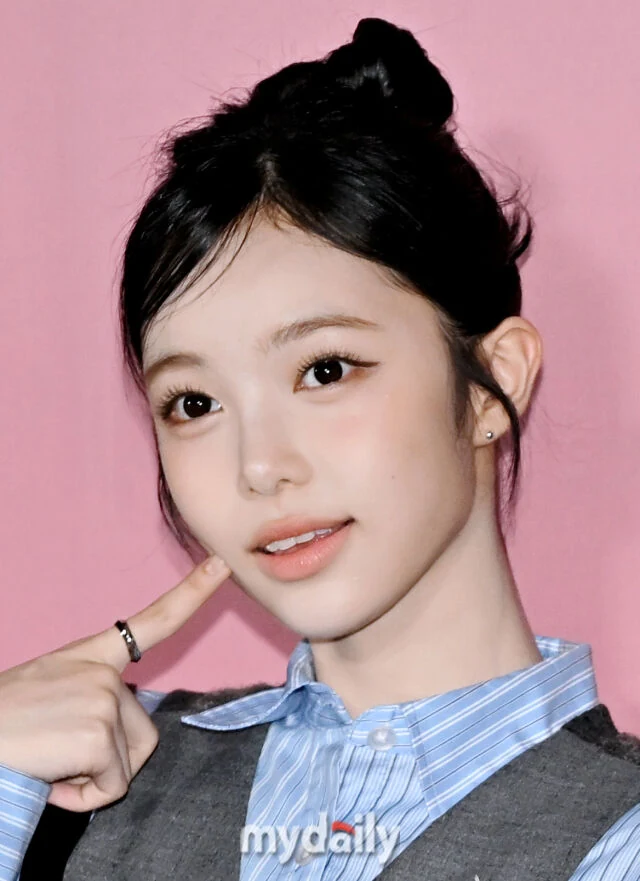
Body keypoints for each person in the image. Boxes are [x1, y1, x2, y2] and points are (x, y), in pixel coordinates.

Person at [1, 16, 640, 881]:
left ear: (494, 382)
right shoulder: (73, 779)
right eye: (194, 403)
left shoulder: (616, 837)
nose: (259, 465)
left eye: (325, 369)